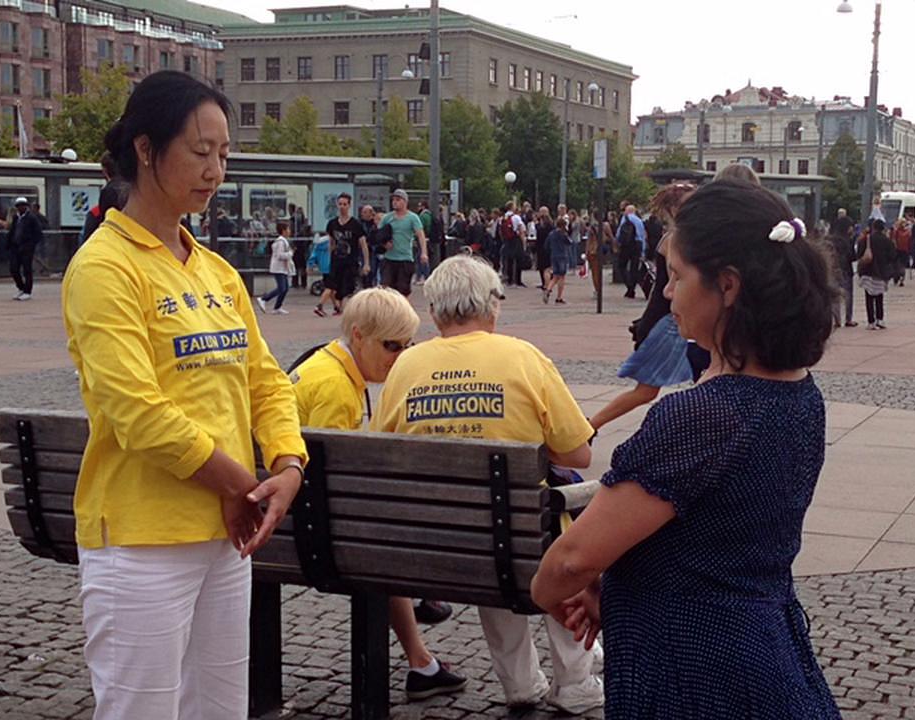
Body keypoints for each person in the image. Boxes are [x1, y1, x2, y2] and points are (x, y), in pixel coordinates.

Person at [531, 180, 841, 720]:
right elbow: (720, 530)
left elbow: (571, 559)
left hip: (692, 667)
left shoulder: (702, 415)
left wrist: (547, 589)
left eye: (675, 276)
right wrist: (622, 586)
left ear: (727, 286)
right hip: (765, 649)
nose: (667, 293)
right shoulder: (800, 393)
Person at [61, 70, 308, 720]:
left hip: (225, 541)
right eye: (201, 152)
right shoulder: (104, 267)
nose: (215, 170)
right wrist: (239, 485)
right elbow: (138, 412)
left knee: (222, 709)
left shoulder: (216, 269)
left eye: (224, 154)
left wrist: (287, 465)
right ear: (146, 149)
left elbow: (265, 380)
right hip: (141, 542)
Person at [373, 255, 604, 715]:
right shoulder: (523, 357)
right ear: (492, 306)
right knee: (545, 532)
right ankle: (575, 680)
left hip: (444, 541)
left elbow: (385, 450)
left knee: (499, 542)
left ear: (435, 312)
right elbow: (578, 453)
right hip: (518, 536)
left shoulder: (406, 366)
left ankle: (520, 681)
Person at [290, 288, 467, 700]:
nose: (400, 356)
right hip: (310, 532)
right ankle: (421, 661)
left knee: (381, 534)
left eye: (407, 347)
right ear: (359, 335)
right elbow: (336, 484)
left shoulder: (325, 363)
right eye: (392, 346)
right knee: (383, 542)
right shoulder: (335, 387)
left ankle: (423, 658)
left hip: (293, 522)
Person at [590, 183, 700, 432]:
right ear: (674, 209)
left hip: (677, 319)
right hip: (671, 322)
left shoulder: (682, 236)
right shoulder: (676, 239)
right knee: (647, 390)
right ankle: (589, 426)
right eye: (690, 203)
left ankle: (589, 426)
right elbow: (673, 286)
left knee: (706, 378)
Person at [316, 192, 369, 317]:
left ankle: (346, 312)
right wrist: (328, 259)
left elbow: (363, 244)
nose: (342, 206)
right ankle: (338, 309)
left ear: (349, 205)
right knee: (335, 286)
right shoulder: (332, 224)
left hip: (350, 261)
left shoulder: (355, 224)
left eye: (345, 204)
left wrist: (366, 262)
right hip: (336, 260)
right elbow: (331, 242)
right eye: (340, 204)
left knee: (348, 287)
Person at [378, 189, 428, 298]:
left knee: (402, 289)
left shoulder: (413, 218)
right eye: (393, 200)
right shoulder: (387, 218)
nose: (394, 202)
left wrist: (424, 253)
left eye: (398, 200)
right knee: (386, 288)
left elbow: (420, 235)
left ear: (405, 202)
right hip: (389, 258)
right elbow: (378, 235)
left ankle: (402, 311)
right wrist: (384, 243)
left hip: (405, 258)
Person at [857, 218, 897, 330]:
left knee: (869, 296)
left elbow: (859, 254)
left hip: (868, 270)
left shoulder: (867, 239)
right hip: (881, 271)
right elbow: (893, 256)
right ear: (883, 228)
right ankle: (880, 319)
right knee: (879, 296)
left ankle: (871, 321)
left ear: (873, 227)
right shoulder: (887, 240)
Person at [7, 196, 43, 300]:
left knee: (27, 270)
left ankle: (27, 291)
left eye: (22, 205)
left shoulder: (32, 218)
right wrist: (9, 244)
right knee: (13, 269)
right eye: (18, 206)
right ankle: (21, 288)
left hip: (26, 248)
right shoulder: (16, 217)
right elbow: (12, 231)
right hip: (15, 247)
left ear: (26, 206)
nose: (20, 208)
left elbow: (38, 233)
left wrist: (31, 245)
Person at [256, 221, 296, 315]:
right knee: (282, 288)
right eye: (288, 229)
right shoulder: (281, 242)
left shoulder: (283, 241)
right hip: (278, 268)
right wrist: (290, 254)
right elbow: (279, 255)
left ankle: (277, 307)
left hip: (282, 268)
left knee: (285, 288)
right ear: (283, 231)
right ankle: (263, 299)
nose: (289, 231)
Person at [828, 214, 858, 328]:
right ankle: (848, 318)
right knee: (848, 294)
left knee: (835, 294)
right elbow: (852, 257)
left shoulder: (830, 239)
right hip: (845, 269)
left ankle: (837, 319)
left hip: (833, 269)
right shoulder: (847, 240)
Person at [615, 204, 646, 298]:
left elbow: (619, 232)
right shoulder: (639, 221)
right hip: (637, 245)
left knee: (621, 266)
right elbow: (642, 236)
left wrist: (618, 242)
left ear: (627, 211)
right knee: (634, 267)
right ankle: (632, 287)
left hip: (626, 246)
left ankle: (629, 286)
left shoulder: (625, 218)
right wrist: (643, 250)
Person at [543, 217, 571, 304]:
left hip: (554, 256)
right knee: (562, 277)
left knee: (555, 276)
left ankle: (548, 290)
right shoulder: (563, 234)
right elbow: (569, 242)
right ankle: (559, 297)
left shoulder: (551, 234)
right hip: (562, 256)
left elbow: (546, 245)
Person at [500, 200, 527, 287]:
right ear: (512, 207)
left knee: (509, 260)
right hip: (516, 239)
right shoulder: (516, 217)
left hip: (507, 240)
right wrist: (523, 242)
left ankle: (509, 280)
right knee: (518, 259)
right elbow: (521, 230)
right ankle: (518, 280)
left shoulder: (503, 218)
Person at [535, 206, 554, 289]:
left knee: (543, 267)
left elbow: (538, 236)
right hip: (549, 248)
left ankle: (545, 283)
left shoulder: (540, 226)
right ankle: (547, 282)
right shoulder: (551, 225)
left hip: (542, 248)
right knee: (547, 266)